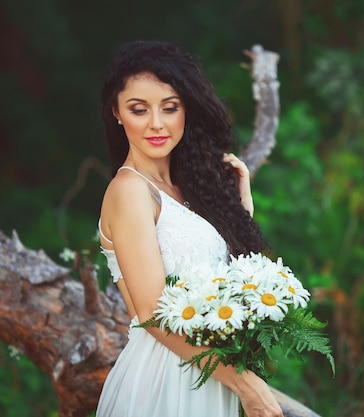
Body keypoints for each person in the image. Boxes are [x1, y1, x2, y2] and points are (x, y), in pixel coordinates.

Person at [95, 40, 283, 417]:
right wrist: (245, 383)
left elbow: (237, 282)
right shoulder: (129, 190)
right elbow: (150, 311)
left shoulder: (189, 190)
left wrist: (242, 203)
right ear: (117, 113)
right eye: (138, 109)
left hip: (209, 375)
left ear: (187, 110)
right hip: (165, 382)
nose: (156, 124)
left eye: (170, 107)